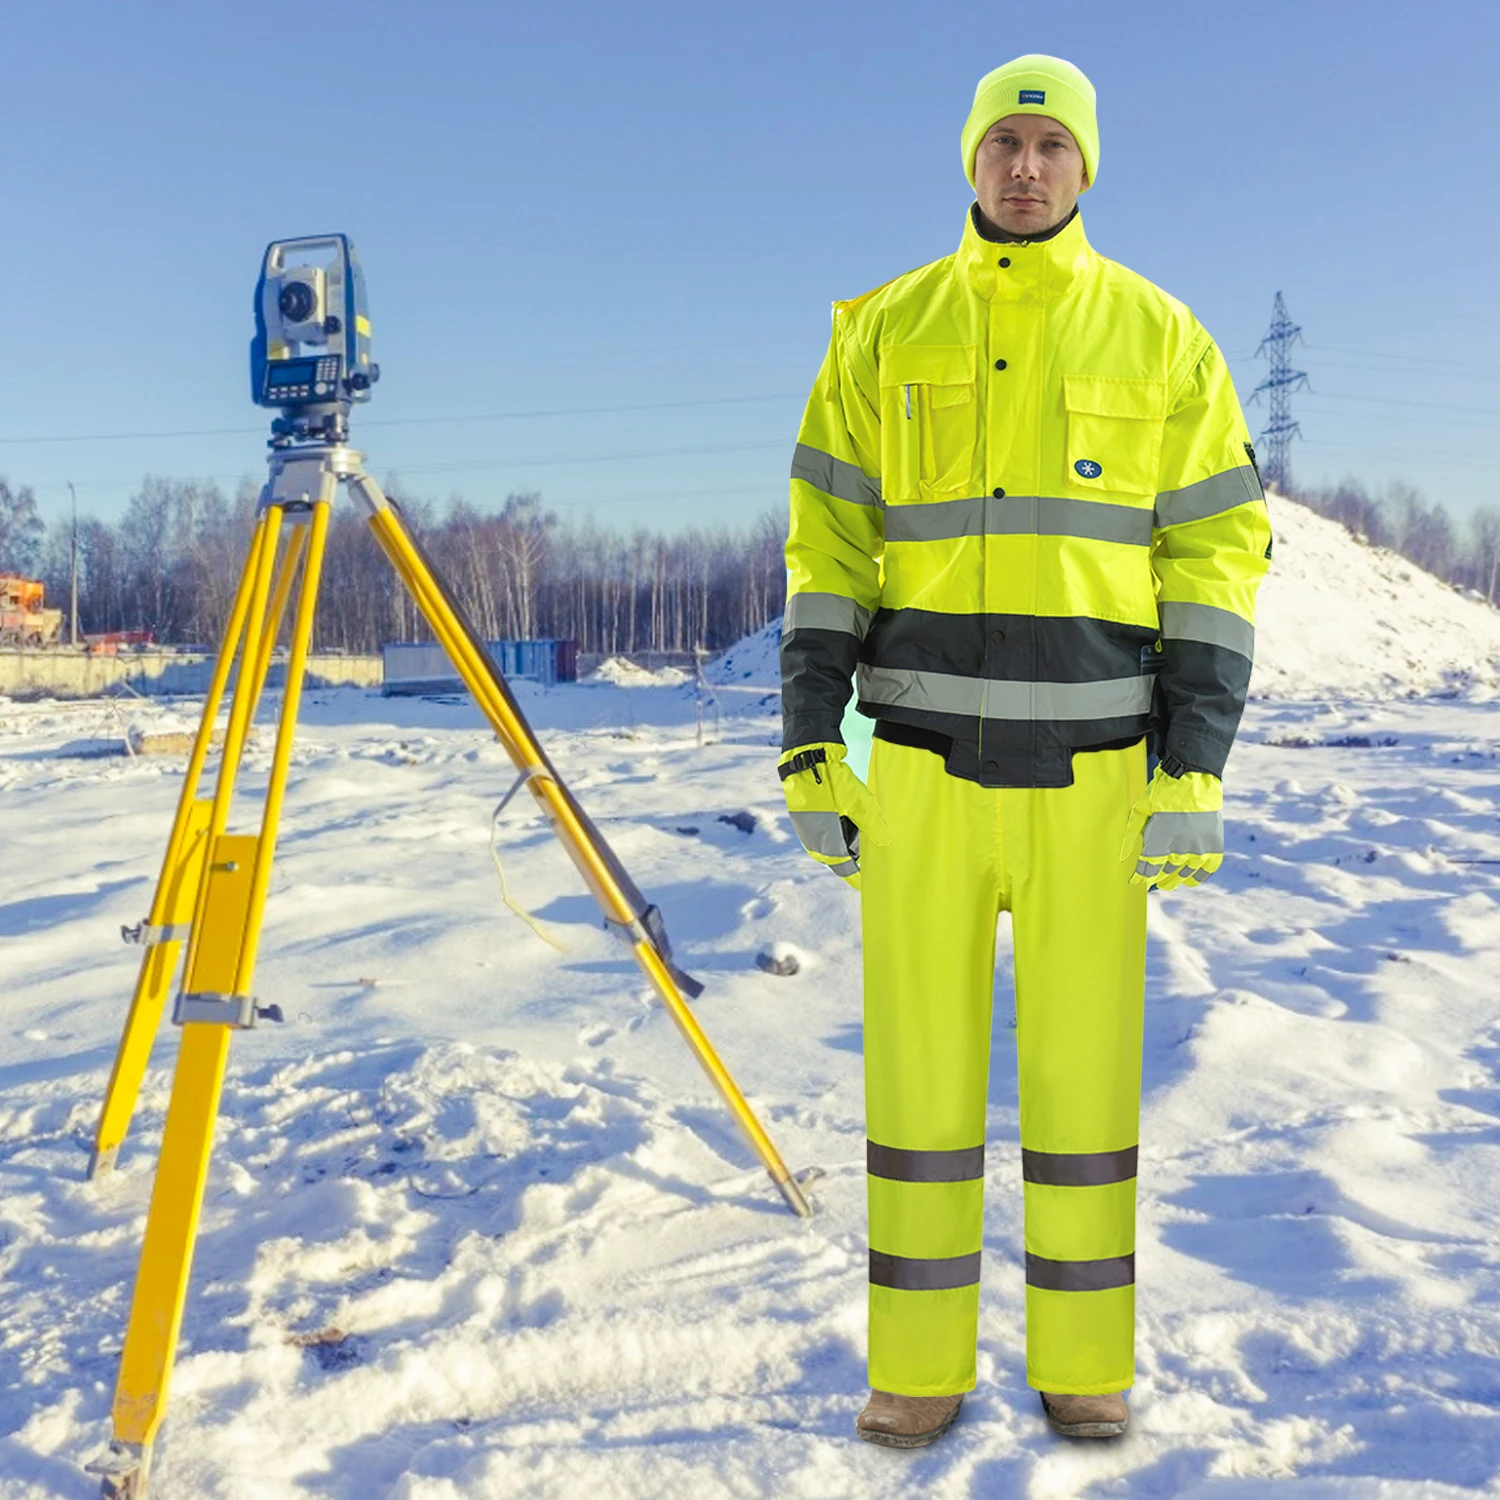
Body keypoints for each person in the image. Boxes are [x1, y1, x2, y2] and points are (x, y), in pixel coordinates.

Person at [778, 54, 1271, 1447]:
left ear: (1086, 167)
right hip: (922, 775)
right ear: (969, 159)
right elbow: (828, 548)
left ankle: (1084, 1365)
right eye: (1005, 139)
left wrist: (1195, 762)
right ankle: (917, 1370)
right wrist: (814, 746)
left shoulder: (1161, 336)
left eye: (1053, 143)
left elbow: (1216, 557)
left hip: (1100, 786)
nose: (1027, 165)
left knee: (1083, 1091)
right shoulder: (882, 331)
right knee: (917, 1091)